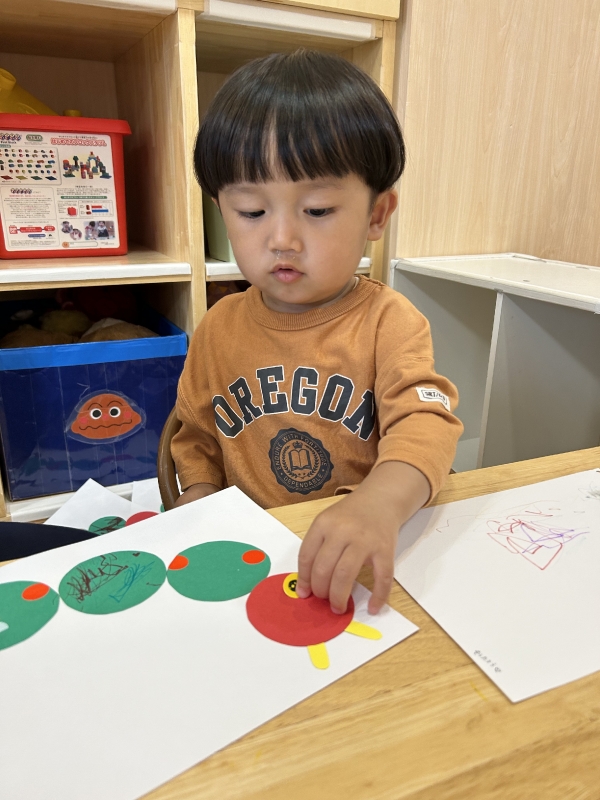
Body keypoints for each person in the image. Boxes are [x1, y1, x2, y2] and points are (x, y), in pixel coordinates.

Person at [171, 49, 463, 616]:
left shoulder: (389, 321)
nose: (282, 238)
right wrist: (199, 493)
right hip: (252, 560)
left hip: (358, 558)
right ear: (220, 210)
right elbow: (196, 434)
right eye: (251, 211)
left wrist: (379, 503)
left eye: (319, 209)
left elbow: (426, 424)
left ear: (377, 215)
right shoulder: (218, 326)